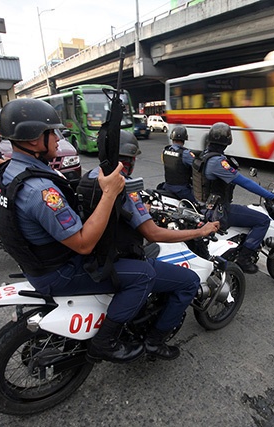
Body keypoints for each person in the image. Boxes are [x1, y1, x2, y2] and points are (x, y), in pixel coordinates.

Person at [0, 99, 219, 365]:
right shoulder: (41, 190)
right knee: (146, 274)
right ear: (32, 139)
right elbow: (85, 244)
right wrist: (111, 193)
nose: (57, 139)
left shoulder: (10, 172)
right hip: (60, 270)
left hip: (37, 261)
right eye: (52, 133)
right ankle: (115, 342)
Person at [77, 130, 220, 361]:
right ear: (131, 160)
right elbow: (152, 233)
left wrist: (146, 209)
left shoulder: (91, 177)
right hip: (118, 259)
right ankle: (154, 342)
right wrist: (199, 231)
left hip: (96, 255)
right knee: (189, 281)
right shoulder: (124, 187)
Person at [192, 122, 274, 274]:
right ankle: (244, 258)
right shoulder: (218, 162)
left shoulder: (203, 156)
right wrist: (271, 196)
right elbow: (244, 182)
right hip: (219, 211)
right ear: (228, 140)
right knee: (263, 220)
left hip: (203, 207)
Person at [161, 125, 197, 203]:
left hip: (167, 186)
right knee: (200, 205)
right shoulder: (185, 153)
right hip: (181, 190)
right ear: (184, 139)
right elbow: (197, 166)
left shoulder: (165, 150)